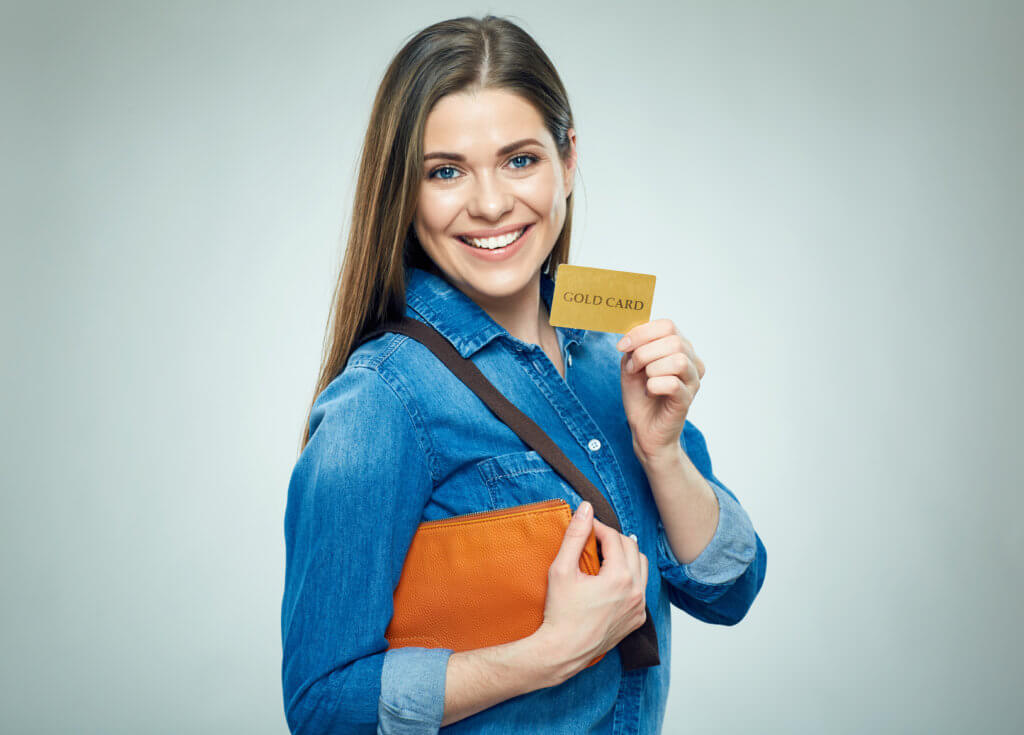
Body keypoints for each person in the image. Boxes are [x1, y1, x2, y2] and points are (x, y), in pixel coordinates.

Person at [280, 14, 767, 735]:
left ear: (568, 160)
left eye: (520, 160)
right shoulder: (383, 399)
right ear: (404, 193)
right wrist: (548, 654)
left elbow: (731, 588)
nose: (490, 203)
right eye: (445, 171)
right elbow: (322, 705)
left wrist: (663, 453)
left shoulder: (610, 357)